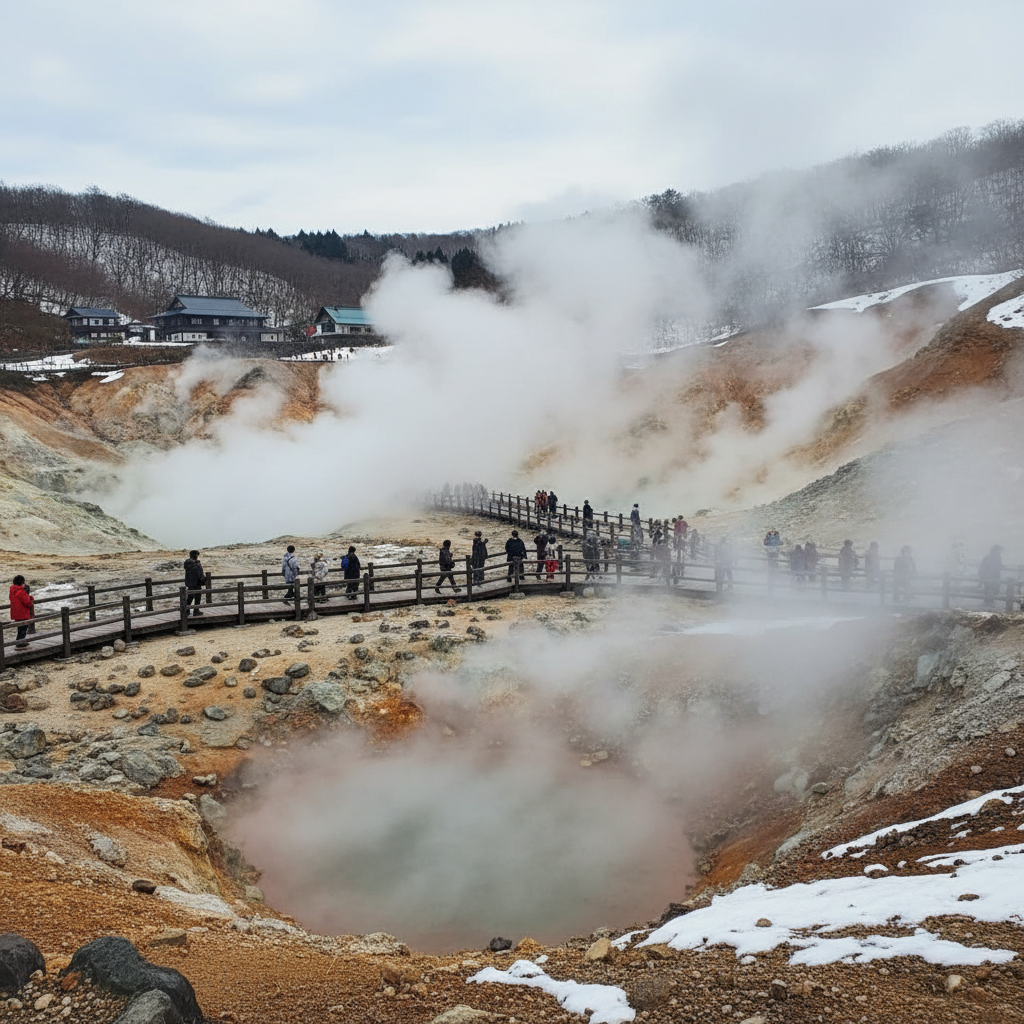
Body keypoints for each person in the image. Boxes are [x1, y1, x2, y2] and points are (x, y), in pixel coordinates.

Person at [9, 575, 33, 648]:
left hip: (15, 613)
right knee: (23, 628)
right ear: (22, 582)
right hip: (22, 613)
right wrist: (30, 599)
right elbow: (27, 603)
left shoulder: (12, 590)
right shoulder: (21, 591)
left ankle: (19, 641)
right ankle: (20, 642)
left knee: (20, 628)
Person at [184, 549, 206, 616]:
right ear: (196, 556)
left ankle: (186, 610)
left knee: (190, 596)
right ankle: (196, 611)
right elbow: (200, 574)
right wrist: (204, 581)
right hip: (197, 583)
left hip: (189, 583)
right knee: (197, 597)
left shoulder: (187, 563)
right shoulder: (197, 564)